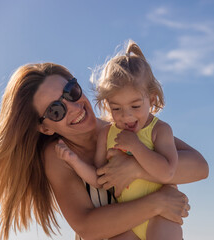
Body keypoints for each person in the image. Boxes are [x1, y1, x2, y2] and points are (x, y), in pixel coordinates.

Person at [0, 62, 209, 240]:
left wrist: (135, 169)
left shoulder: (122, 126)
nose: (74, 107)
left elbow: (199, 166)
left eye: (71, 91)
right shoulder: (59, 155)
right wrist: (157, 203)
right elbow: (87, 226)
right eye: (56, 110)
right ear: (45, 127)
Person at [55, 40, 183, 240]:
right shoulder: (107, 134)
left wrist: (135, 147)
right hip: (128, 219)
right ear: (107, 105)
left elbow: (168, 172)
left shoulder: (159, 130)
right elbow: (100, 178)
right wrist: (74, 161)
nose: (126, 116)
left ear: (153, 98)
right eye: (116, 108)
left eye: (135, 106)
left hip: (161, 216)